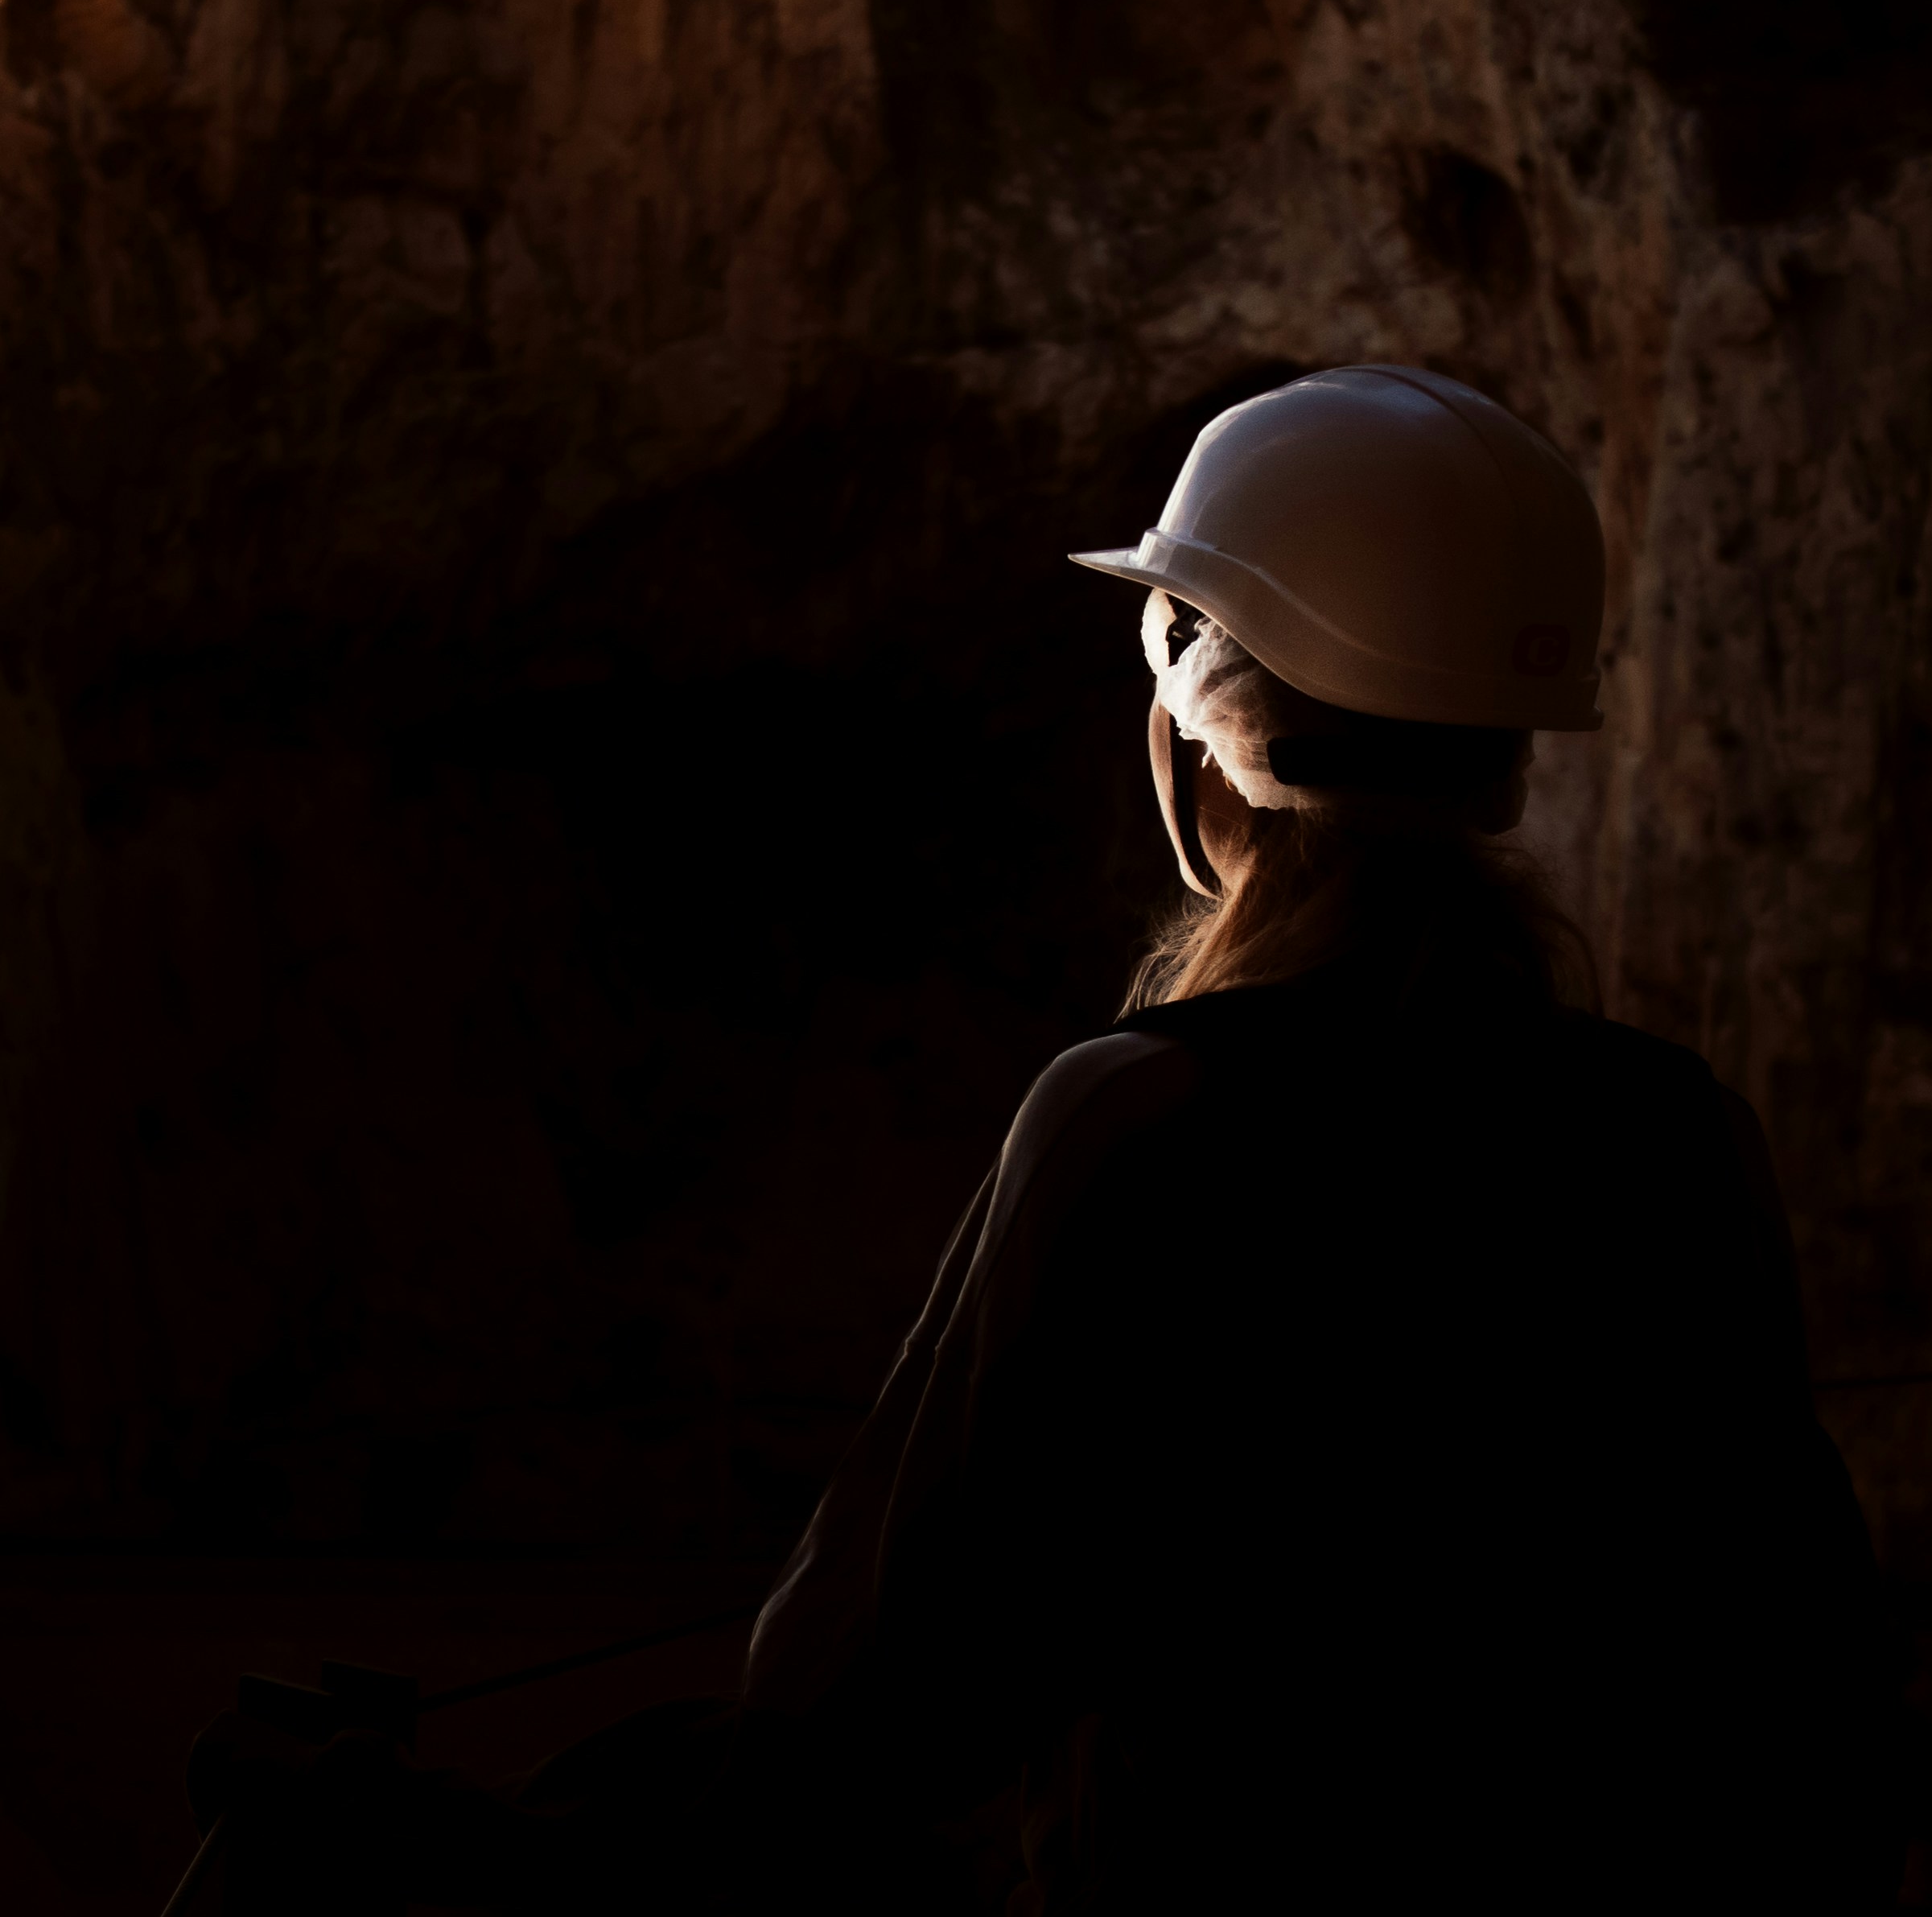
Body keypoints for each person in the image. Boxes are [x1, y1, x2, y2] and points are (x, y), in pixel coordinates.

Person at [190, 365, 1912, 1910]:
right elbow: (1805, 1687)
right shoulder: (1669, 1135)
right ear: (1500, 764)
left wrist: (395, 1828)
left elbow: (849, 1721)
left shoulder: (1144, 1116)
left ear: (1195, 733)